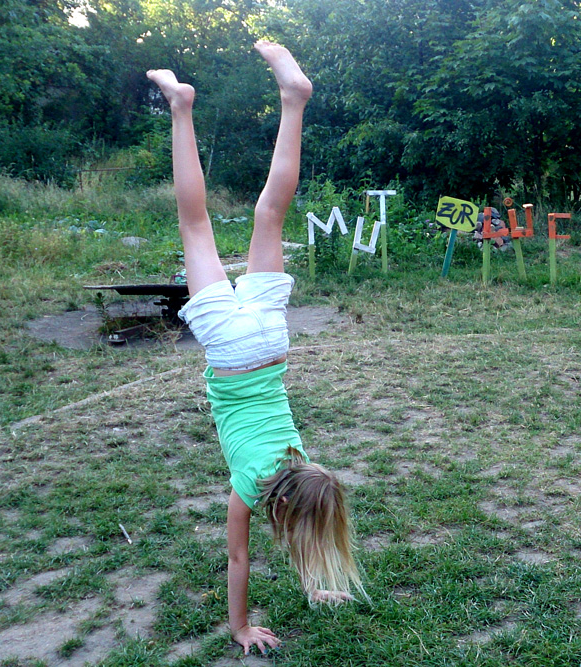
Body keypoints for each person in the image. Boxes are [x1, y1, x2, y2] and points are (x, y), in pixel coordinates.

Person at [147, 41, 365, 656]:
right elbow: (238, 557)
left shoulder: (301, 457)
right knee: (196, 225)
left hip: (270, 343)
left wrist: (312, 586)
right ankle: (181, 107)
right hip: (230, 348)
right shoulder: (249, 487)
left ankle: (293, 103)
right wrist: (239, 627)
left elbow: (302, 510)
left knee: (271, 215)